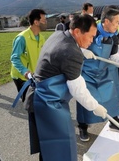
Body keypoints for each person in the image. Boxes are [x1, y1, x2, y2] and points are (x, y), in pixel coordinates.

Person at [13, 14, 107, 161]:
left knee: (49, 147)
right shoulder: (71, 53)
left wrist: (83, 51)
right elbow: (78, 89)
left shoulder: (59, 34)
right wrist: (95, 107)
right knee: (57, 146)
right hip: (46, 102)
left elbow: (62, 50)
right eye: (90, 36)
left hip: (41, 97)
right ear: (77, 32)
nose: (92, 41)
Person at [76, 6, 119, 141]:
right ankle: (83, 126)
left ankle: (114, 121)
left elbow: (113, 56)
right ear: (106, 22)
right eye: (117, 22)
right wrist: (84, 51)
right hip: (87, 72)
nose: (118, 25)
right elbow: (75, 44)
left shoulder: (113, 38)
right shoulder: (90, 30)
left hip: (103, 71)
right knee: (85, 101)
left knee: (111, 96)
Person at [10, 9, 47, 98]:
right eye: (44, 20)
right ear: (36, 22)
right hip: (22, 77)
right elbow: (14, 58)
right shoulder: (22, 38)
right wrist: (25, 71)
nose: (46, 22)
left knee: (37, 103)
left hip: (34, 76)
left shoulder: (41, 38)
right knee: (31, 104)